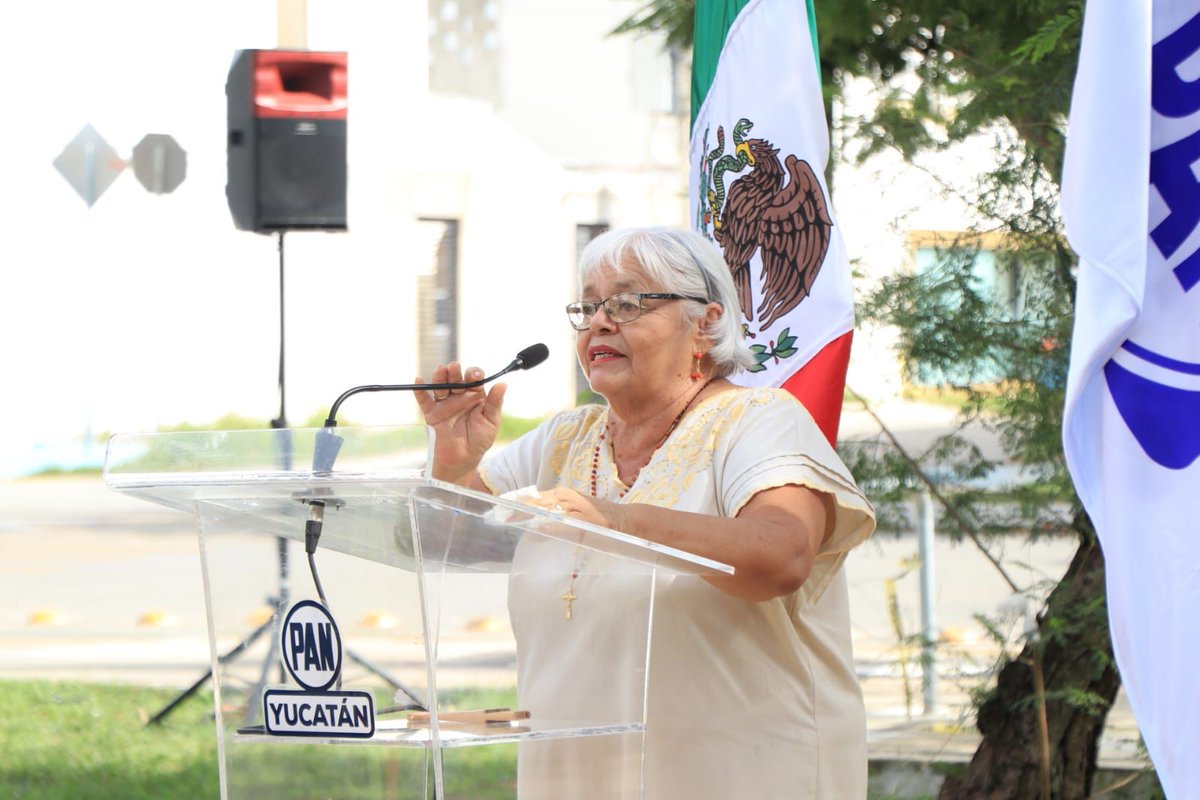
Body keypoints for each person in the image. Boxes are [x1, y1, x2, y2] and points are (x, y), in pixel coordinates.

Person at [415, 226, 876, 799]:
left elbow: (782, 556)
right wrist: (454, 468)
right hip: (578, 778)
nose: (599, 323)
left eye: (628, 303)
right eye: (587, 307)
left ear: (705, 324)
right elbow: (449, 541)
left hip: (742, 777)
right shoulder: (565, 439)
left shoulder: (759, 420)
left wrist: (617, 520)